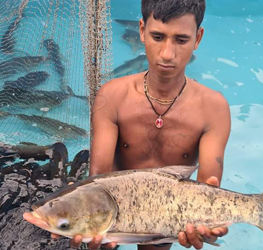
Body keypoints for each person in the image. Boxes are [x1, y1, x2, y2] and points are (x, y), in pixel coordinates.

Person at [28, 0, 231, 249]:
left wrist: (207, 228)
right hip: (113, 207)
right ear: (142, 31)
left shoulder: (214, 108)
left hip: (168, 215)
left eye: (181, 40)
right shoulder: (112, 96)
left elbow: (207, 192)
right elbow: (99, 176)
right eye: (158, 36)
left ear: (197, 38)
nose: (167, 53)